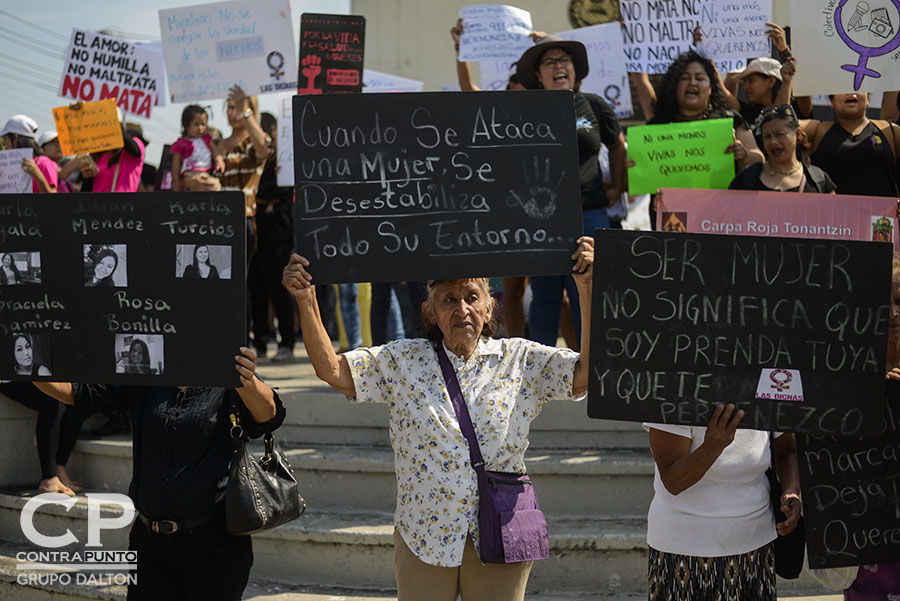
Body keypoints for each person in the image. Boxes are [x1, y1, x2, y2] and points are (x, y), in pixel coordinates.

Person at [282, 237, 595, 601]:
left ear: (490, 307)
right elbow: (332, 370)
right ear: (430, 311)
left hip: (499, 527)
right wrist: (307, 300)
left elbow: (585, 372)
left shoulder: (520, 359)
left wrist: (585, 289)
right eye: (448, 299)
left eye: (472, 297)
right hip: (424, 534)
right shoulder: (403, 361)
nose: (462, 309)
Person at [33, 347, 284, 601]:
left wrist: (245, 378)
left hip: (215, 546)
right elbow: (75, 392)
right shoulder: (147, 378)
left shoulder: (226, 376)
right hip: (149, 544)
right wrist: (27, 362)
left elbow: (268, 412)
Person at [515, 36, 625, 348]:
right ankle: (540, 368)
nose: (559, 66)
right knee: (545, 295)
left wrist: (617, 185)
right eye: (549, 62)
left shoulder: (593, 105)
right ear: (538, 75)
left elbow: (617, 145)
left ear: (576, 69)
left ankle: (590, 368)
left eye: (565, 59)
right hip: (539, 218)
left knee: (588, 292)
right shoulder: (525, 108)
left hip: (589, 213)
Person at [644, 405, 801, 600]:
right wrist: (712, 448)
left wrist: (791, 490)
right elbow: (673, 481)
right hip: (681, 550)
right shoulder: (676, 393)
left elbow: (786, 452)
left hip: (755, 545)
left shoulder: (766, 386)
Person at [249, 112, 296, 361]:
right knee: (256, 290)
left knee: (279, 291)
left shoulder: (284, 160)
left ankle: (286, 342)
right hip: (256, 234)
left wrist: (254, 194)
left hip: (278, 235)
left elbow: (281, 187)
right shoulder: (254, 161)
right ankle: (260, 340)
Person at [803, 93, 900, 197]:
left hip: (882, 212)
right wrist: (787, 82)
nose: (850, 93)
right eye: (843, 88)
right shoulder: (817, 130)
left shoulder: (890, 131)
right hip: (831, 212)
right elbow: (785, 124)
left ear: (868, 98)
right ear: (832, 102)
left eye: (858, 88)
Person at [730, 104, 836, 193]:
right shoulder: (747, 178)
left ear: (798, 135)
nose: (773, 142)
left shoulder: (819, 180)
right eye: (767, 136)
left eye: (779, 134)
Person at [171, 105, 224, 192]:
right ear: (186, 125)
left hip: (206, 173)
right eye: (196, 124)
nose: (200, 128)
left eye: (203, 124)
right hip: (189, 174)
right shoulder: (181, 143)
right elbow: (176, 164)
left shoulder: (207, 139)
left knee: (215, 186)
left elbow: (215, 152)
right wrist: (176, 182)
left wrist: (219, 161)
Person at [0, 114, 57, 193]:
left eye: (5, 139)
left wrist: (37, 174)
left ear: (15, 139)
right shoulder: (6, 166)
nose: (4, 144)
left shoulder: (43, 162)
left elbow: (54, 198)